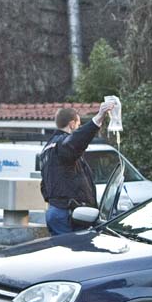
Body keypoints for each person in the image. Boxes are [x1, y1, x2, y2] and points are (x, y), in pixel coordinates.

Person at [40, 100, 115, 236]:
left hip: (56, 211)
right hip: (67, 214)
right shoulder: (62, 144)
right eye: (78, 124)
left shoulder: (47, 148)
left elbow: (44, 186)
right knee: (73, 253)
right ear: (72, 124)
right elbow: (76, 141)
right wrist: (98, 118)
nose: (78, 127)